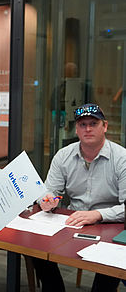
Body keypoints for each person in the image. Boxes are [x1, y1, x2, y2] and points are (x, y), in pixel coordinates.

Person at [34, 103, 126, 292]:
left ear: (105, 126)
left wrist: (97, 215)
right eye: (82, 125)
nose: (88, 129)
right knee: (36, 247)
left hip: (111, 224)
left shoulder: (122, 159)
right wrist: (46, 200)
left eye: (93, 123)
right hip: (73, 221)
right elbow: (47, 191)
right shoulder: (63, 156)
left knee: (111, 260)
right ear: (76, 129)